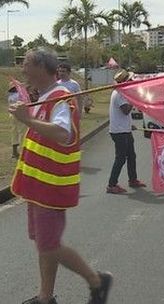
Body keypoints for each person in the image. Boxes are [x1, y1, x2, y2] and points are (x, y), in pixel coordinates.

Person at [9, 48, 112, 304]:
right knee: (44, 242)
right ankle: (45, 297)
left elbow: (62, 133)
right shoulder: (45, 96)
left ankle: (97, 281)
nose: (23, 68)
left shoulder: (60, 97)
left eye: (27, 64)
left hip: (51, 187)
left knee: (50, 244)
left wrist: (27, 120)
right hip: (39, 186)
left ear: (42, 68)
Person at [107, 69, 145, 194]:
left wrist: (130, 125)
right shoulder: (119, 94)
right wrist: (134, 99)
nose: (133, 81)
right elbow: (126, 110)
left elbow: (123, 115)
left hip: (125, 129)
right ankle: (111, 184)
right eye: (130, 80)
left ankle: (132, 179)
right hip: (119, 132)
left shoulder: (122, 93)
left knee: (131, 156)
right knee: (121, 158)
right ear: (125, 82)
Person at [8, 82, 25, 158]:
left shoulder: (10, 96)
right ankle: (22, 152)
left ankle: (14, 152)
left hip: (12, 115)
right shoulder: (19, 95)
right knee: (22, 133)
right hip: (19, 115)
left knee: (14, 133)